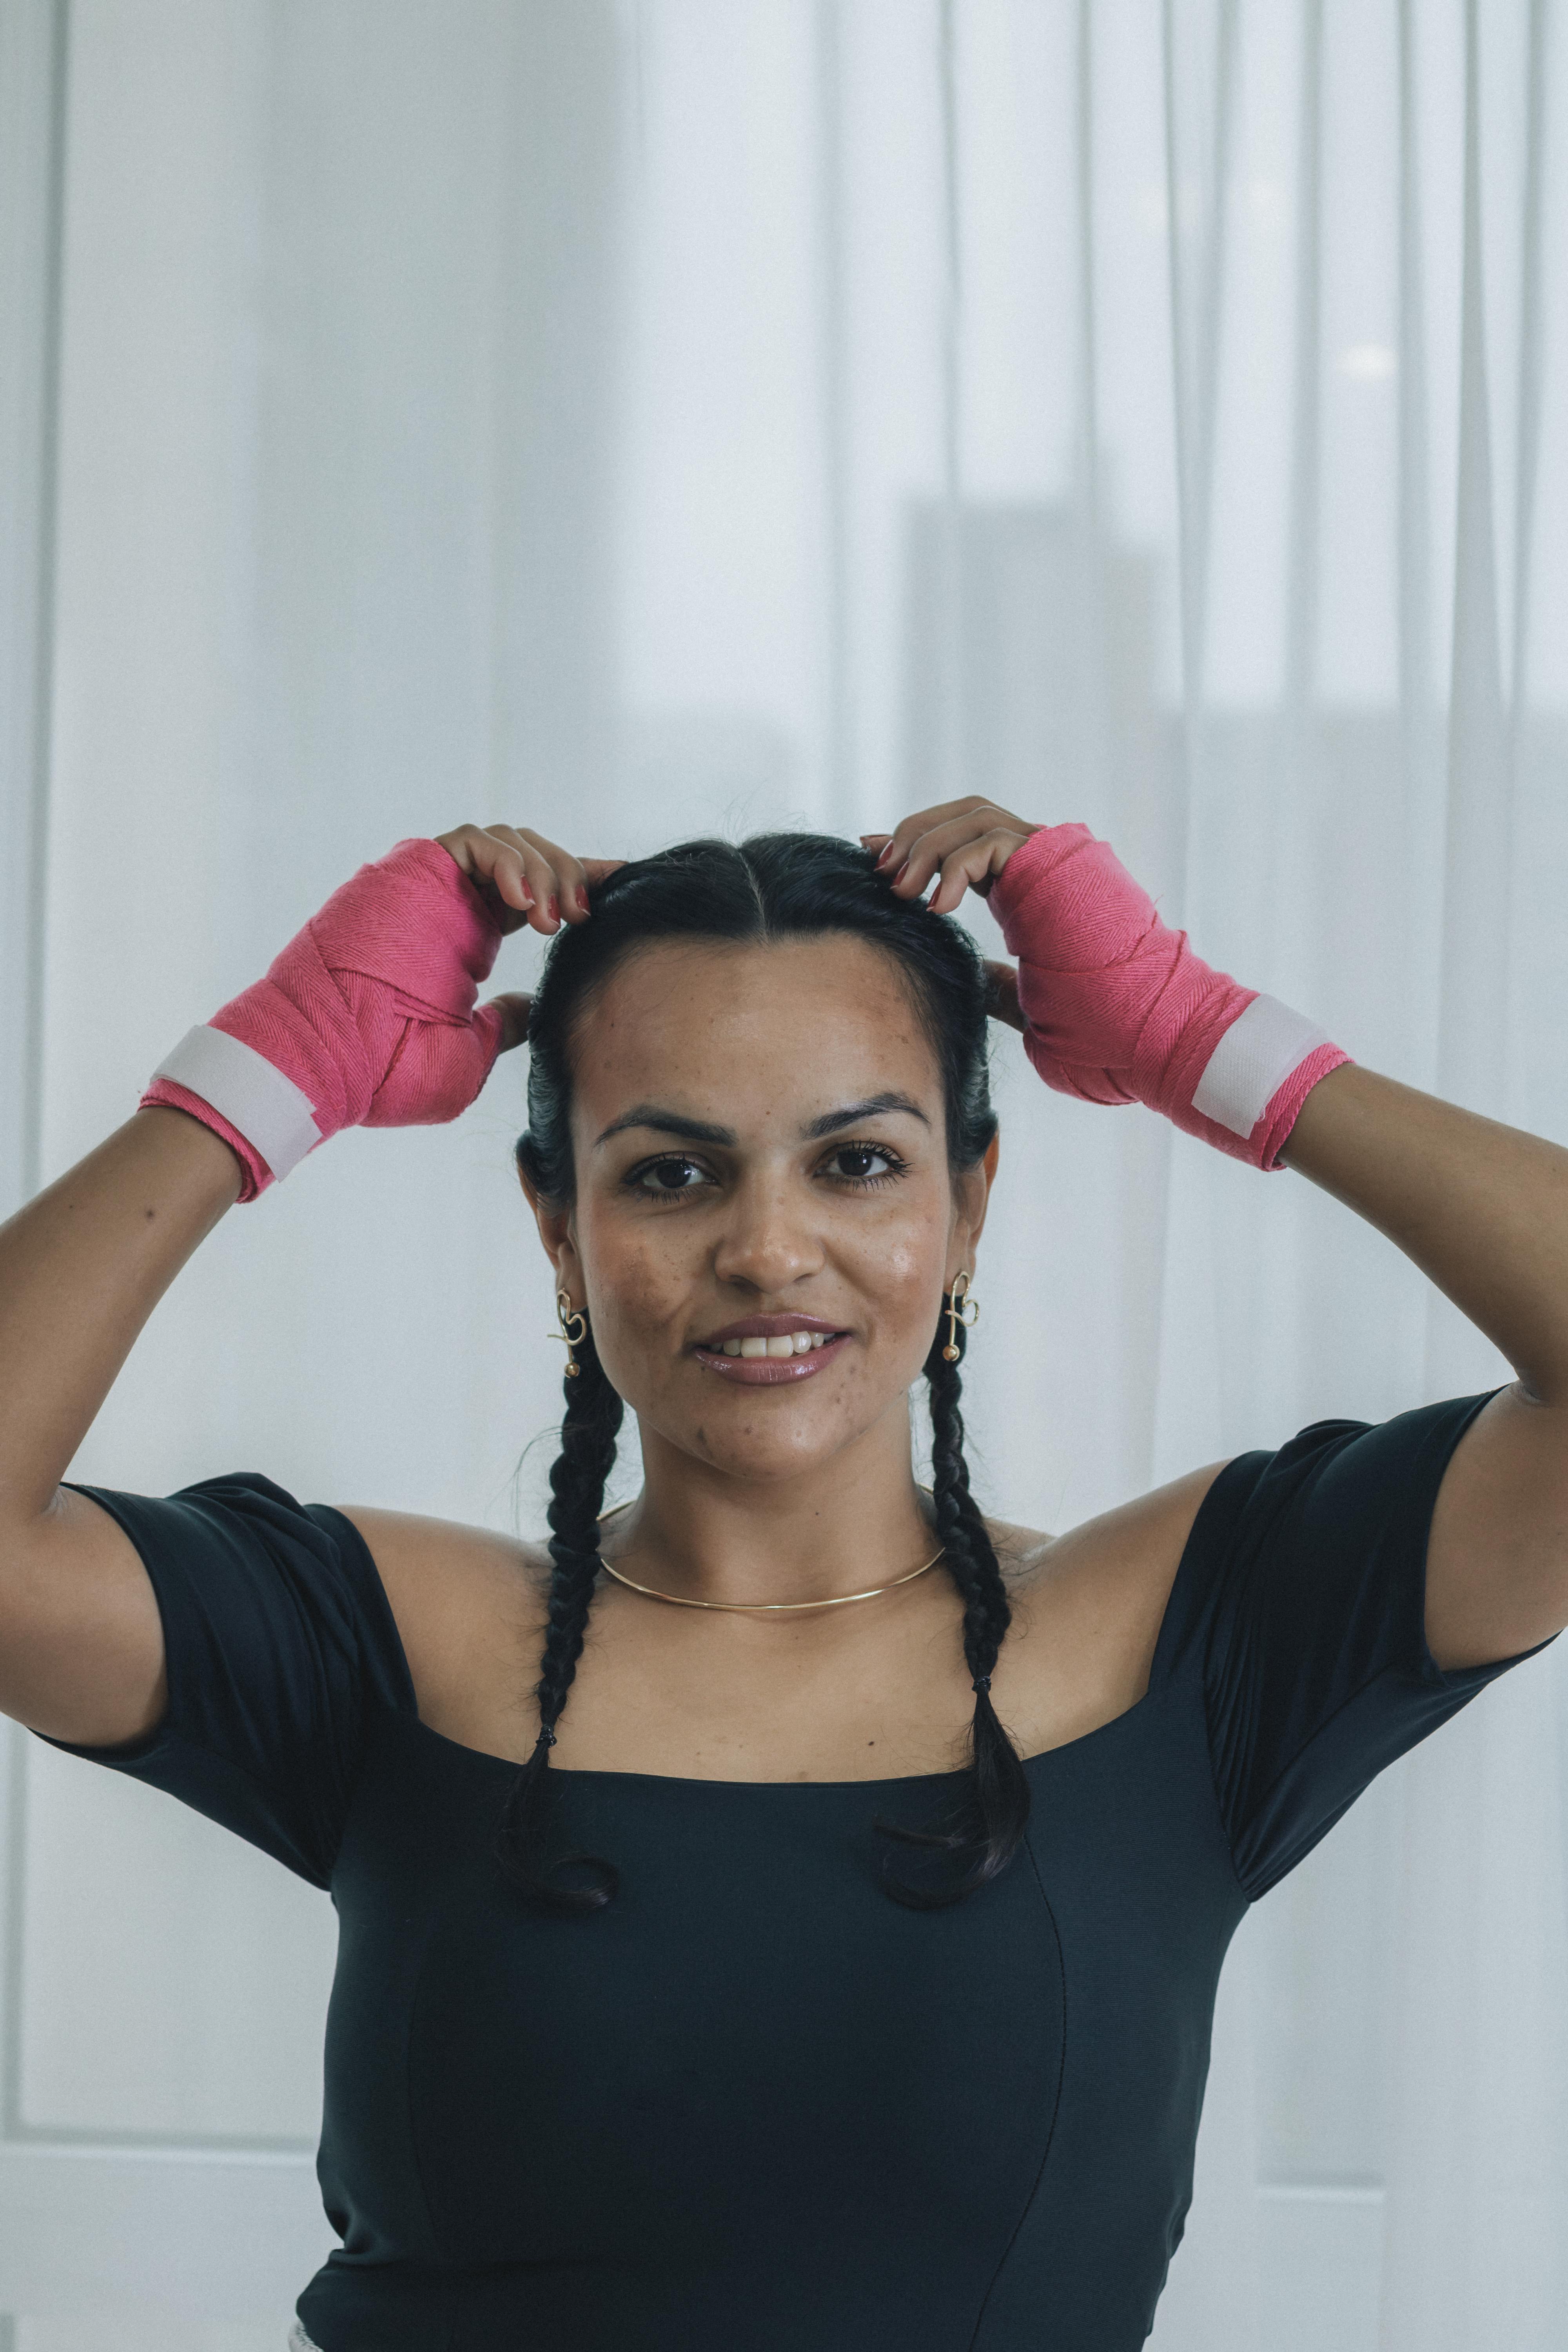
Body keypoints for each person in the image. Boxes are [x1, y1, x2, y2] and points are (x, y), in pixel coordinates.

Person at [0, 795, 1563, 2352]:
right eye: (670, 1175)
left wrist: (1208, 1043)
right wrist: (259, 1077)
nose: (765, 1250)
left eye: (858, 1162)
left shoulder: (1193, 1637)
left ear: (969, 1204)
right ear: (558, 1224)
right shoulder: (386, 1643)